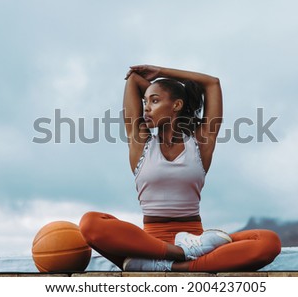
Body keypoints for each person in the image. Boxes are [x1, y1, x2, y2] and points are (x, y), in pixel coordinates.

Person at [79, 65, 281, 272]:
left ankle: (164, 266)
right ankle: (180, 258)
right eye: (145, 101)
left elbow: (212, 83)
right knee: (90, 223)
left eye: (154, 101)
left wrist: (160, 72)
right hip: (148, 244)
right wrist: (158, 91)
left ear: (176, 105)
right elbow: (133, 79)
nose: (146, 108)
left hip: (196, 241)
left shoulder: (200, 142)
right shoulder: (140, 141)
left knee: (268, 242)